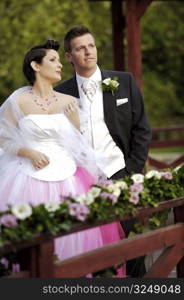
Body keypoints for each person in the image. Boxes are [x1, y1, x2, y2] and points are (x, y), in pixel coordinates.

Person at [0, 39, 125, 277]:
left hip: (69, 179)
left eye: (59, 61)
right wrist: (29, 152)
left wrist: (76, 126)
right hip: (26, 178)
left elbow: (80, 147)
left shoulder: (69, 102)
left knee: (78, 237)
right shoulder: (18, 101)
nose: (60, 65)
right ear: (36, 66)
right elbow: (3, 138)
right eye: (53, 60)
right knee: (28, 241)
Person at [54, 25, 152, 277]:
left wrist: (131, 170)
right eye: (80, 48)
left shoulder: (123, 81)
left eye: (91, 45)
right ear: (69, 56)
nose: (88, 52)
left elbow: (142, 129)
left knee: (133, 247)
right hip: (80, 184)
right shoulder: (60, 92)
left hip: (120, 174)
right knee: (89, 251)